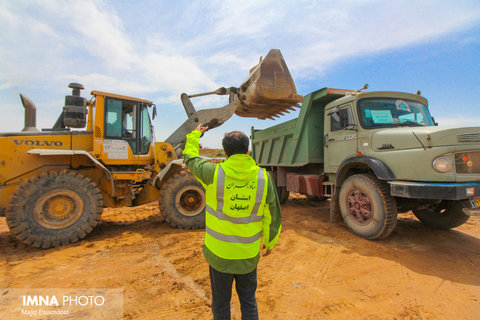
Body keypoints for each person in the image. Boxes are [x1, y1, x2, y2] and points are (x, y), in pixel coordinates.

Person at [183, 124, 282, 320]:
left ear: (226, 153)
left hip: (219, 255)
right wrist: (270, 242)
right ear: (247, 151)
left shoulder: (212, 173)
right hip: (247, 255)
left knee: (220, 304)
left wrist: (196, 135)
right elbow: (273, 215)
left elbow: (190, 158)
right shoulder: (264, 177)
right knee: (248, 302)